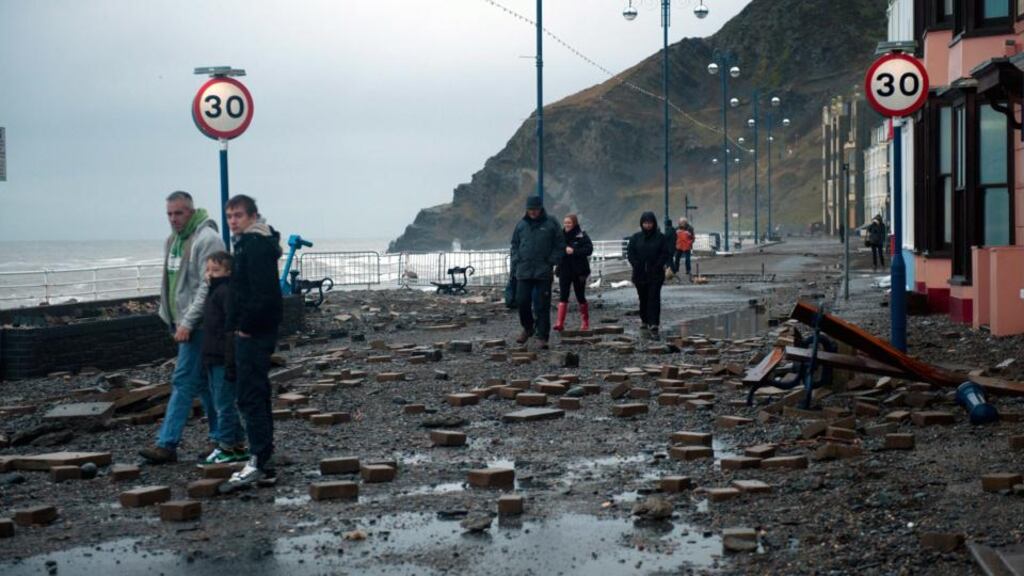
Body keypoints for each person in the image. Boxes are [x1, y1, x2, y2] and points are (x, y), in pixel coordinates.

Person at [140, 191, 225, 465]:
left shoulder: (207, 240)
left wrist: (188, 322)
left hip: (200, 325)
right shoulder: (173, 241)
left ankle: (167, 444)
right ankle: (220, 435)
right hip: (181, 323)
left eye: (178, 213)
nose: (173, 219)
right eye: (169, 214)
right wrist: (168, 315)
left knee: (183, 379)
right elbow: (172, 282)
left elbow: (207, 285)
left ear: (191, 211)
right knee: (204, 383)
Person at [221, 194, 283, 491]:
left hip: (254, 333)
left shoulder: (255, 245)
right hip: (250, 332)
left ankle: (259, 460)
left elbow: (265, 294)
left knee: (250, 395)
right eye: (230, 216)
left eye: (238, 215)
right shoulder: (247, 243)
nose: (233, 221)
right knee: (254, 393)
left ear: (253, 216)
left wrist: (245, 327)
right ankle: (262, 456)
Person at [200, 251, 248, 464]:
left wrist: (230, 360)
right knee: (222, 400)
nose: (210, 274)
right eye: (208, 269)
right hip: (212, 355)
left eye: (216, 270)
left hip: (222, 357)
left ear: (228, 271)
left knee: (223, 403)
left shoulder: (226, 292)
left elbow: (231, 328)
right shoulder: (214, 292)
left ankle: (226, 445)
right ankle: (238, 444)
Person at [510, 195, 564, 349]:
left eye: (535, 209)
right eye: (530, 209)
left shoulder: (551, 223)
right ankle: (528, 328)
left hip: (543, 271)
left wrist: (552, 261)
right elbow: (514, 244)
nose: (533, 212)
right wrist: (516, 259)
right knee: (522, 301)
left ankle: (543, 336)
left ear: (541, 208)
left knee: (542, 305)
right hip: (524, 270)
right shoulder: (521, 225)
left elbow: (560, 244)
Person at [627, 211, 671, 337]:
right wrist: (636, 264)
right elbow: (630, 253)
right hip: (639, 274)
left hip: (655, 273)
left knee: (654, 297)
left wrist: (658, 265)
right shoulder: (636, 238)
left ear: (654, 223)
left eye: (650, 223)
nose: (647, 225)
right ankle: (644, 320)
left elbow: (665, 253)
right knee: (643, 298)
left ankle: (654, 322)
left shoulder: (660, 237)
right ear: (642, 224)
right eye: (645, 223)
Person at [554, 214, 593, 332]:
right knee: (563, 296)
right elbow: (556, 249)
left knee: (580, 296)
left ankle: (585, 322)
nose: (567, 224)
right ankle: (559, 323)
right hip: (564, 270)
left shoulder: (581, 235)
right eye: (565, 222)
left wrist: (574, 251)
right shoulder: (560, 236)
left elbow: (589, 250)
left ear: (574, 223)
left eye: (569, 222)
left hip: (579, 271)